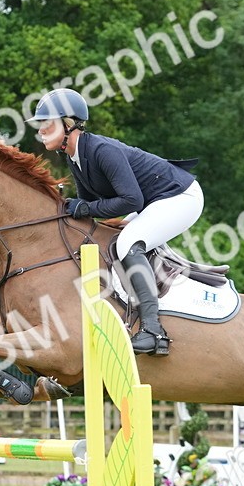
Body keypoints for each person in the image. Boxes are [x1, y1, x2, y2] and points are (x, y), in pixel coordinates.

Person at [27, 88, 204, 356]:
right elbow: (89, 210)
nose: (40, 130)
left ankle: (154, 330)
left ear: (68, 124)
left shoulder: (101, 150)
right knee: (110, 238)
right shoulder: (75, 157)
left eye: (47, 123)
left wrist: (84, 207)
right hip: (153, 201)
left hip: (181, 196)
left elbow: (130, 201)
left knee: (129, 243)